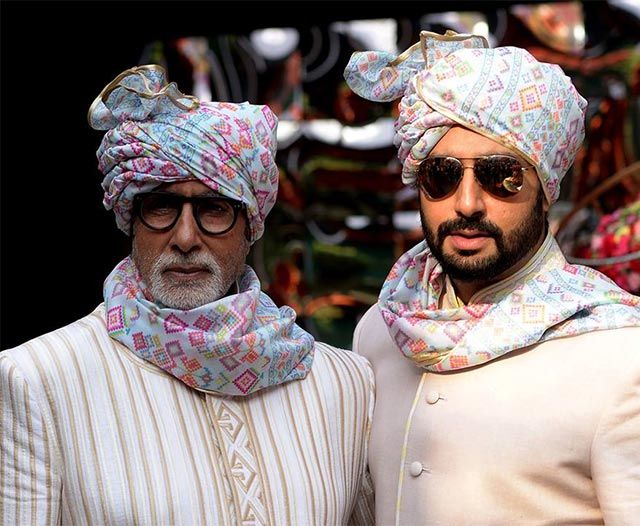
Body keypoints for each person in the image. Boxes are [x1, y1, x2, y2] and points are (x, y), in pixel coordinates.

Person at [345, 31, 640, 525]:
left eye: (501, 175)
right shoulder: (382, 332)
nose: (467, 203)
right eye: (441, 175)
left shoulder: (633, 357)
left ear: (545, 187)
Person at [1, 65, 374, 525]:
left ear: (250, 226)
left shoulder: (347, 385)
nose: (185, 237)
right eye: (161, 205)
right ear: (129, 217)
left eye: (214, 209)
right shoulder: (40, 378)